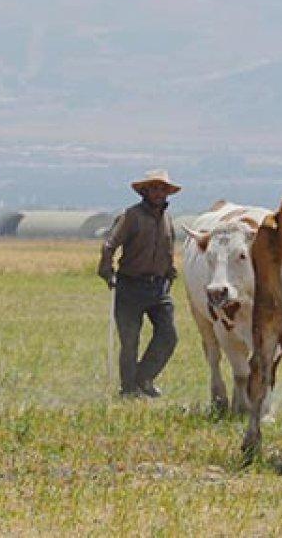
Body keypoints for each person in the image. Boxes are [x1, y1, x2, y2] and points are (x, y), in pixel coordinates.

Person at [98, 169, 181, 398]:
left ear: (167, 194)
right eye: (154, 188)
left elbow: (169, 248)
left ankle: (144, 378)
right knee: (130, 341)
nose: (159, 193)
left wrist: (170, 272)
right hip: (130, 286)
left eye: (163, 189)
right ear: (144, 191)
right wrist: (107, 271)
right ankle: (128, 390)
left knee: (169, 335)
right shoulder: (131, 216)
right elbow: (109, 245)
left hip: (158, 287)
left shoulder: (167, 219)